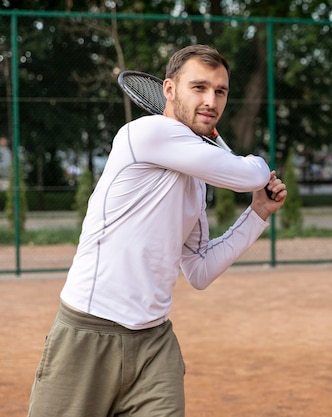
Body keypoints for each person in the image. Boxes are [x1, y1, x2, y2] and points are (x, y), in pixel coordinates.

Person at [27, 44, 287, 417]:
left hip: (154, 344)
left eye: (220, 91)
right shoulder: (145, 133)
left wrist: (257, 214)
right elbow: (251, 175)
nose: (211, 100)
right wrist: (256, 165)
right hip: (87, 335)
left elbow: (198, 270)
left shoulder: (197, 180)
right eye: (198, 88)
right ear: (168, 90)